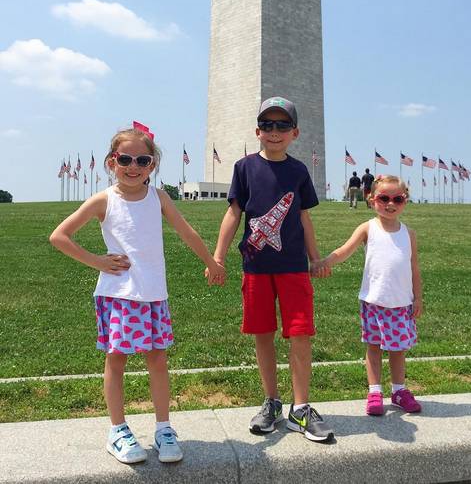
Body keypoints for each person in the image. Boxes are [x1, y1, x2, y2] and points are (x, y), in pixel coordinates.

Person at [49, 125, 225, 464]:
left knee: (158, 360)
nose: (133, 167)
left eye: (142, 160)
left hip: (153, 293)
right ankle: (118, 430)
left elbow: (185, 230)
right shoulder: (104, 199)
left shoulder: (158, 197)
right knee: (116, 361)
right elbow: (60, 236)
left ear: (152, 165)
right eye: (125, 159)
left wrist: (211, 261)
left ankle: (163, 429)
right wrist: (97, 261)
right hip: (120, 295)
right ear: (111, 162)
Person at [209, 96, 334, 443]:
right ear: (257, 131)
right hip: (256, 268)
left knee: (300, 335)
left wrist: (316, 258)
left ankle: (301, 408)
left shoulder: (298, 171)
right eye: (267, 125)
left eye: (282, 125)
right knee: (263, 334)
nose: (274, 131)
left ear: (294, 132)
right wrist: (218, 257)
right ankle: (271, 402)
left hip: (293, 267)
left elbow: (305, 218)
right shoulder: (244, 167)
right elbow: (234, 213)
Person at [319, 175, 423, 416]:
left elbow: (414, 267)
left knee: (398, 350)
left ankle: (399, 390)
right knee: (374, 347)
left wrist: (418, 297)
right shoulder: (368, 228)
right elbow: (346, 250)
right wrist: (325, 261)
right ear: (372, 200)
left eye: (397, 199)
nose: (390, 204)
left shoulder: (409, 234)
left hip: (401, 303)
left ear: (405, 201)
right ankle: (374, 391)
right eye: (384, 198)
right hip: (373, 300)